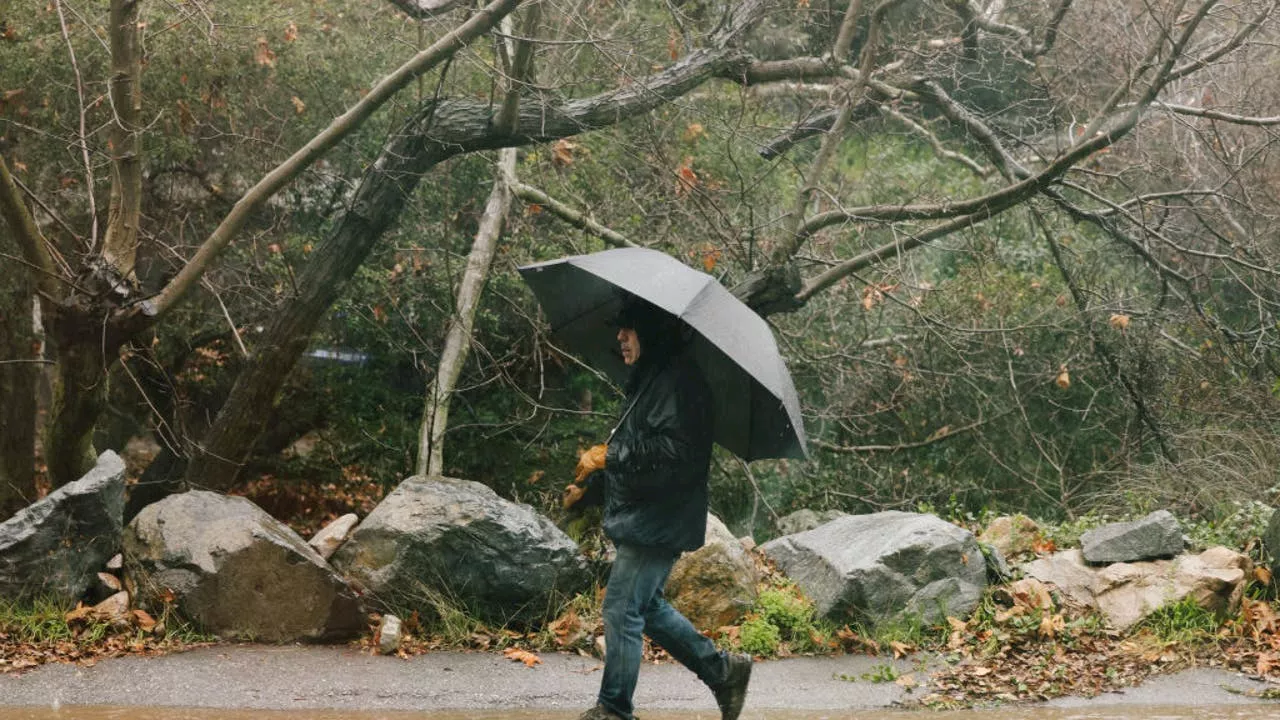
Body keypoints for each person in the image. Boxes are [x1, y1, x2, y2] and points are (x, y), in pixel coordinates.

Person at [563, 296, 752, 720]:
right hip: (650, 512)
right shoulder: (653, 377)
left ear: (650, 331)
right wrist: (590, 492)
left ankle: (614, 709)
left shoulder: (680, 382)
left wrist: (608, 457)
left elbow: (674, 454)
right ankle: (724, 672)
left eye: (628, 329)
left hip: (660, 516)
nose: (619, 337)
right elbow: (640, 461)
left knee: (621, 608)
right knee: (645, 608)